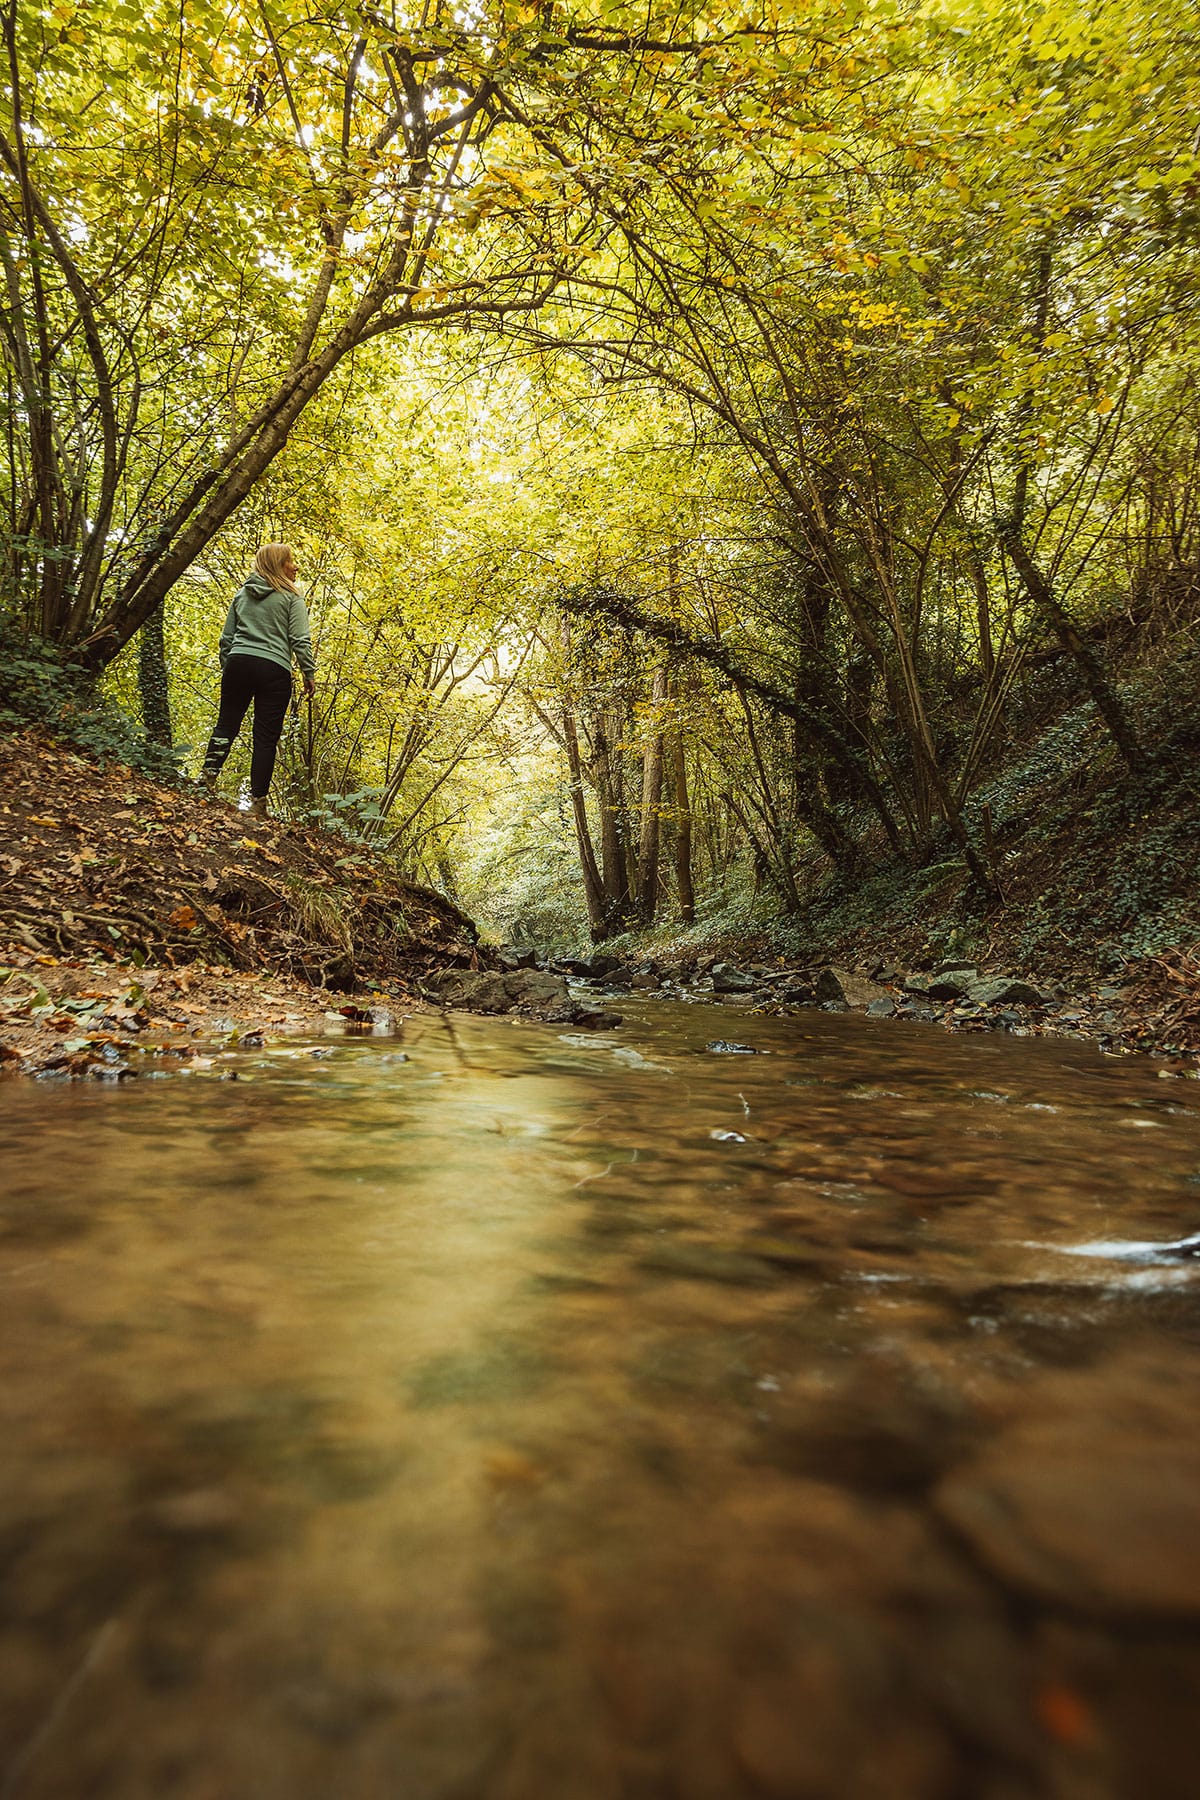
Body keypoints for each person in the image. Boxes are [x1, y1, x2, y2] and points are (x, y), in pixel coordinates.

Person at [200, 543, 316, 818]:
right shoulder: (292, 598)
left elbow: (226, 639)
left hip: (238, 663)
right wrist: (308, 673)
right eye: (291, 561)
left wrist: (230, 666)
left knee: (226, 724)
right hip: (273, 669)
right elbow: (300, 639)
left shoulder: (242, 594)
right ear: (278, 565)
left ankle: (205, 782)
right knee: (265, 738)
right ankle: (257, 805)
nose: (295, 567)